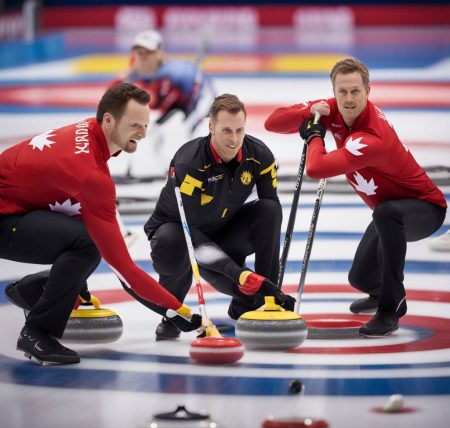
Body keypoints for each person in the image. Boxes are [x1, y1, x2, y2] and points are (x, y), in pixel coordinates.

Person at [0, 82, 202, 365]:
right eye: (135, 125)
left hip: (14, 208)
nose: (143, 134)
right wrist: (177, 310)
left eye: (145, 125)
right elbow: (124, 269)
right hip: (6, 219)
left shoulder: (88, 132)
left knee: (84, 235)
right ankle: (37, 332)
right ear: (108, 120)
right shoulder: (90, 175)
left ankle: (35, 290)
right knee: (88, 243)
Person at [265, 57, 447, 337]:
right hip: (388, 211)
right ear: (335, 92)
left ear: (368, 91)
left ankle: (391, 307)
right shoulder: (333, 109)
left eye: (356, 91)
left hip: (425, 209)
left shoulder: (373, 137)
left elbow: (316, 168)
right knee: (360, 277)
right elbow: (272, 123)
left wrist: (315, 136)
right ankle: (379, 291)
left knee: (386, 214)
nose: (349, 99)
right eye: (342, 92)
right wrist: (308, 112)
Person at [125, 93, 296, 340]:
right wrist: (238, 273)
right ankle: (174, 312)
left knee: (269, 210)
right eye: (226, 130)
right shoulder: (190, 163)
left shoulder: (259, 155)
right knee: (174, 241)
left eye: (240, 130)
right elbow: (192, 235)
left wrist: (264, 282)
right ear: (211, 127)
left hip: (221, 228)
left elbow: (271, 213)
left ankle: (261, 298)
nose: (234, 139)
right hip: (180, 232)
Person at [111, 29, 216, 177]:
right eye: (139, 52)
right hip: (178, 105)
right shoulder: (133, 74)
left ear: (159, 53)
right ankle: (172, 170)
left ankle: (201, 170)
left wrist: (191, 123)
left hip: (199, 103)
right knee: (154, 132)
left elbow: (202, 96)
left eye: (147, 52)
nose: (142, 57)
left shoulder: (179, 73)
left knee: (183, 132)